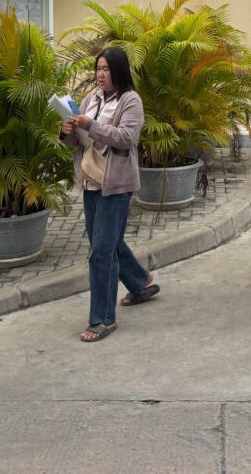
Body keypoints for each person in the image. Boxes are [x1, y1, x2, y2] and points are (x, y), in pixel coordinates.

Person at [62, 47, 158, 343]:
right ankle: (140, 282)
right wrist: (67, 131)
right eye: (97, 69)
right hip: (91, 180)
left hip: (116, 184)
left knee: (101, 251)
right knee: (106, 241)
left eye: (105, 69)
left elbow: (126, 139)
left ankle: (103, 318)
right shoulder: (91, 99)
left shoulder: (131, 101)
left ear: (118, 71)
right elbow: (79, 143)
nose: (100, 74)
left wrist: (89, 124)